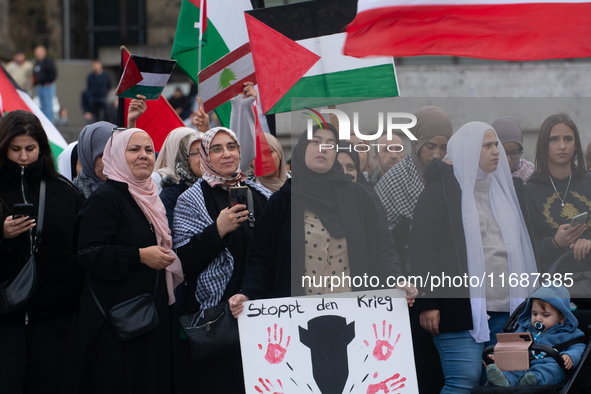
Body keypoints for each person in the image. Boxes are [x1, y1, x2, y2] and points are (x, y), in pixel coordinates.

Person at [228, 124, 416, 314]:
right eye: (315, 142)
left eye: (330, 144)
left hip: (356, 312)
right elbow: (261, 258)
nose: (322, 149)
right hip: (297, 315)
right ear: (302, 149)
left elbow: (382, 248)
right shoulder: (281, 202)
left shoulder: (359, 197)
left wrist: (396, 280)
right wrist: (248, 293)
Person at [410, 122, 538, 394]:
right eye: (487, 145)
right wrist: (428, 302)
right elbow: (423, 248)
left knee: (500, 384)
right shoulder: (440, 191)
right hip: (457, 309)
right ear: (468, 150)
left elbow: (523, 248)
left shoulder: (507, 191)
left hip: (507, 310)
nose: (496, 151)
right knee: (464, 381)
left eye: (496, 145)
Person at [62, 128, 183, 394]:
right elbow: (88, 254)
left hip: (150, 319)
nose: (143, 156)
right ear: (116, 155)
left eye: (149, 150)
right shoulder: (105, 198)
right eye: (134, 150)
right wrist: (139, 255)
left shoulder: (150, 196)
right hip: (116, 326)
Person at [172, 127, 271, 394]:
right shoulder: (190, 200)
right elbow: (183, 260)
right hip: (216, 317)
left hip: (259, 307)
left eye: (232, 146)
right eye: (216, 149)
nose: (226, 153)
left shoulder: (260, 194)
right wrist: (217, 230)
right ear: (205, 156)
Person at [0, 110, 85, 393]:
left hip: (56, 322)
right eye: (15, 149)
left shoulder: (65, 192)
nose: (23, 157)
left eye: (30, 148)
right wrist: (3, 235)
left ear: (42, 148)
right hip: (5, 319)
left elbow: (81, 248)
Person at [374, 105, 453, 394]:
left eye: (444, 147)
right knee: (419, 369)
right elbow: (377, 237)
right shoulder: (394, 180)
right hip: (409, 290)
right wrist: (407, 232)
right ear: (416, 142)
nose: (436, 155)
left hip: (451, 284)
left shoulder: (456, 174)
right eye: (429, 146)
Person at [524, 114, 591, 272]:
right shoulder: (529, 191)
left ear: (575, 145)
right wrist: (554, 242)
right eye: (554, 139)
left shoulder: (588, 183)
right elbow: (525, 250)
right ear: (543, 145)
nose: (562, 146)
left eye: (568, 139)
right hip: (551, 286)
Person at [486, 283, 585, 387]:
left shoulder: (569, 333)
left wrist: (570, 356)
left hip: (549, 365)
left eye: (545, 315)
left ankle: (533, 380)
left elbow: (578, 347)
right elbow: (511, 346)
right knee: (513, 366)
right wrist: (498, 355)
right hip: (524, 363)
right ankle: (506, 380)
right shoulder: (525, 329)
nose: (538, 319)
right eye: (534, 314)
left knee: (555, 370)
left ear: (562, 318)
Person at [160, 131, 204, 229]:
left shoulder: (224, 185)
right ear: (185, 159)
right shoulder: (172, 194)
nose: (204, 157)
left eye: (207, 151)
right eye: (196, 153)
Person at [72, 121, 113, 197]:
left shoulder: (132, 193)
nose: (109, 163)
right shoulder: (71, 195)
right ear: (87, 158)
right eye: (102, 156)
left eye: (114, 156)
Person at [151, 127, 194, 194]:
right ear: (175, 150)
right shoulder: (155, 179)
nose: (198, 156)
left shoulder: (199, 178)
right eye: (190, 150)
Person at [492, 116, 534, 183]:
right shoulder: (484, 178)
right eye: (503, 154)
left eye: (514, 153)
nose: (508, 160)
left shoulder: (532, 178)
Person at [33, 45, 57, 123]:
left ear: (44, 52)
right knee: (42, 107)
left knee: (48, 106)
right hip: (39, 87)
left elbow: (53, 72)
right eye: (36, 53)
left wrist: (49, 81)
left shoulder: (48, 61)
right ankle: (43, 124)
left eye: (39, 52)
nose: (37, 54)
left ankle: (49, 123)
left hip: (47, 87)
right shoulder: (37, 63)